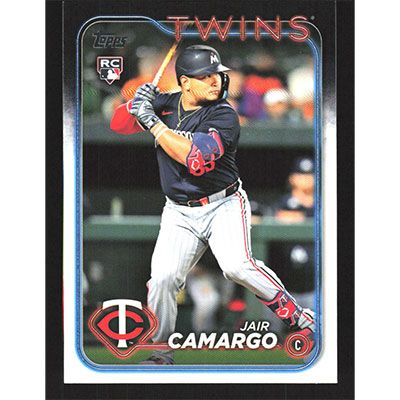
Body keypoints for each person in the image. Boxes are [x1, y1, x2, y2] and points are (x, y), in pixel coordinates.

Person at [110, 45, 316, 365]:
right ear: (185, 82)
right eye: (204, 76)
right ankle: (161, 353)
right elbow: (118, 125)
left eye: (216, 75)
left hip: (223, 204)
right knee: (163, 278)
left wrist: (152, 123)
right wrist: (135, 104)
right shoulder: (165, 105)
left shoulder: (223, 114)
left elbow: (195, 159)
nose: (214, 81)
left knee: (236, 266)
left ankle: (298, 315)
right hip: (179, 210)